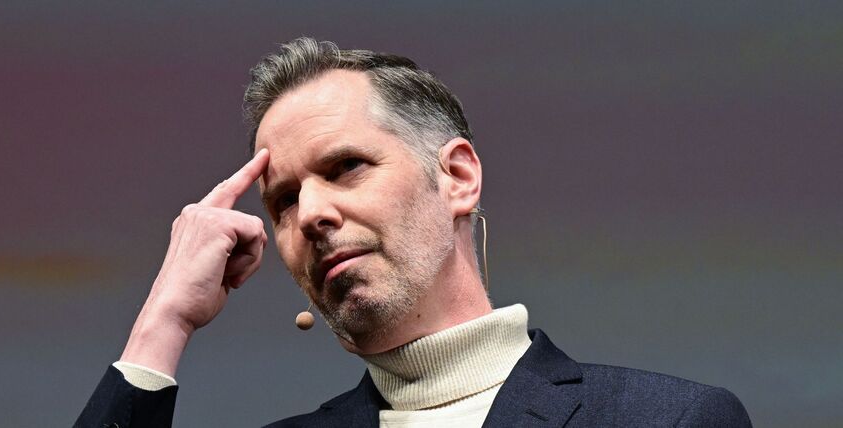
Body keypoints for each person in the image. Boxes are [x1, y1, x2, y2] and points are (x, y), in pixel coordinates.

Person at [75, 37, 752, 427]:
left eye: (345, 167)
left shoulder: (662, 421)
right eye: (280, 202)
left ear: (456, 176)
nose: (309, 214)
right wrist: (161, 322)